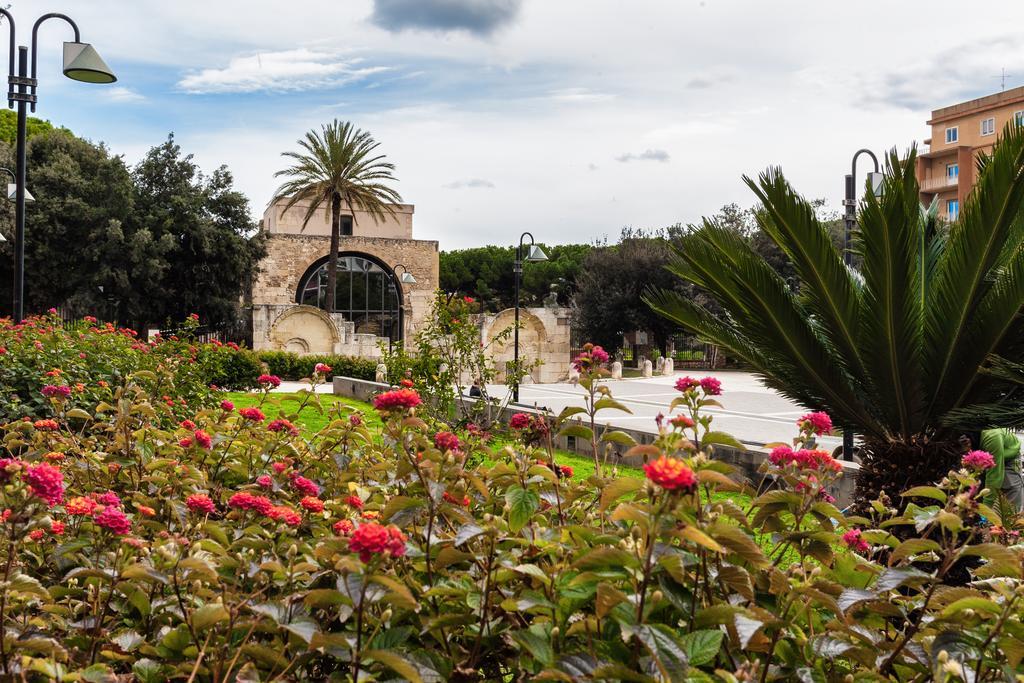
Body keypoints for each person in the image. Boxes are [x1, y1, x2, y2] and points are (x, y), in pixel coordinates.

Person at [961, 429, 1024, 511]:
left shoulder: (992, 437)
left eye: (966, 443)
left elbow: (994, 477)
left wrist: (986, 510)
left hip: (1008, 458)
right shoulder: (969, 435)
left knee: (1010, 488)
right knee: (984, 486)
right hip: (987, 453)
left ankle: (1011, 520)